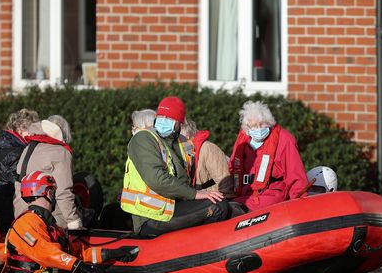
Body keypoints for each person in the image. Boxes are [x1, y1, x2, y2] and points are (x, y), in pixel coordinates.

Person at [120, 96, 230, 236]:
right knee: (217, 208)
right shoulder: (143, 139)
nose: (164, 122)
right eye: (161, 117)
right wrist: (196, 194)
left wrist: (203, 194)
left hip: (171, 208)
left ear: (180, 124)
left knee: (224, 205)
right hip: (151, 216)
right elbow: (157, 179)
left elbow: (184, 180)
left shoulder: (178, 144)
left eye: (170, 119)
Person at [3, 171, 139, 273]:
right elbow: (47, 254)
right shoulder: (26, 223)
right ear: (49, 193)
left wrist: (110, 253)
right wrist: (79, 266)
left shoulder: (49, 225)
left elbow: (77, 253)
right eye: (53, 192)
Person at [229, 101, 309, 211]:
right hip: (244, 194)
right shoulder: (243, 141)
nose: (258, 129)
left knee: (234, 209)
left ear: (269, 122)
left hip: (270, 196)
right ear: (247, 128)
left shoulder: (285, 139)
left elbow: (295, 174)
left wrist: (300, 202)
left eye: (261, 124)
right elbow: (232, 167)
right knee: (222, 208)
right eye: (253, 126)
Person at [13, 115, 87, 230]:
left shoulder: (28, 148)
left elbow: (18, 184)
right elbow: (63, 192)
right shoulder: (61, 152)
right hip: (48, 220)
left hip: (21, 217)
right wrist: (74, 222)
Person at [0, 108, 38, 234]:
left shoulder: (3, 142)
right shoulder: (16, 151)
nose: (34, 135)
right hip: (7, 208)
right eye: (32, 130)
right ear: (20, 129)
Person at [180, 118, 234, 197]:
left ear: (187, 135)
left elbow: (224, 182)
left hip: (212, 198)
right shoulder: (184, 152)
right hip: (193, 198)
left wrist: (205, 195)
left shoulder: (208, 148)